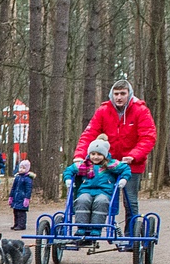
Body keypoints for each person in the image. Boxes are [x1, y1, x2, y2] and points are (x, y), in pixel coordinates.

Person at [74, 79, 157, 227]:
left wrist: (134, 155)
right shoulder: (103, 111)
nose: (119, 97)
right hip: (106, 163)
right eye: (116, 94)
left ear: (129, 94)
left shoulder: (140, 110)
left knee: (130, 200)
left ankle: (131, 233)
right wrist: (79, 155)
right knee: (97, 195)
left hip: (131, 164)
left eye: (122, 94)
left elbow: (148, 137)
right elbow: (89, 134)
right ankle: (88, 230)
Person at [62, 135, 131, 233]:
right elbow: (69, 170)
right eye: (93, 154)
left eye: (99, 154)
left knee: (101, 202)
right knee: (82, 200)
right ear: (89, 154)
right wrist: (68, 179)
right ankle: (81, 228)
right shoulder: (83, 165)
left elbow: (126, 169)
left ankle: (96, 228)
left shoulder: (111, 164)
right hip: (85, 191)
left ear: (105, 155)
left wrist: (124, 179)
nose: (95, 157)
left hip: (104, 192)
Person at [8, 159, 35, 231]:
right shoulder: (17, 177)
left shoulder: (28, 179)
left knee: (21, 213)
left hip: (22, 198)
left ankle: (21, 225)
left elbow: (28, 190)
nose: (21, 169)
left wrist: (27, 199)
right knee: (15, 212)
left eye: (23, 168)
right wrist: (11, 197)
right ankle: (16, 224)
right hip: (16, 198)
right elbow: (13, 188)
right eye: (20, 168)